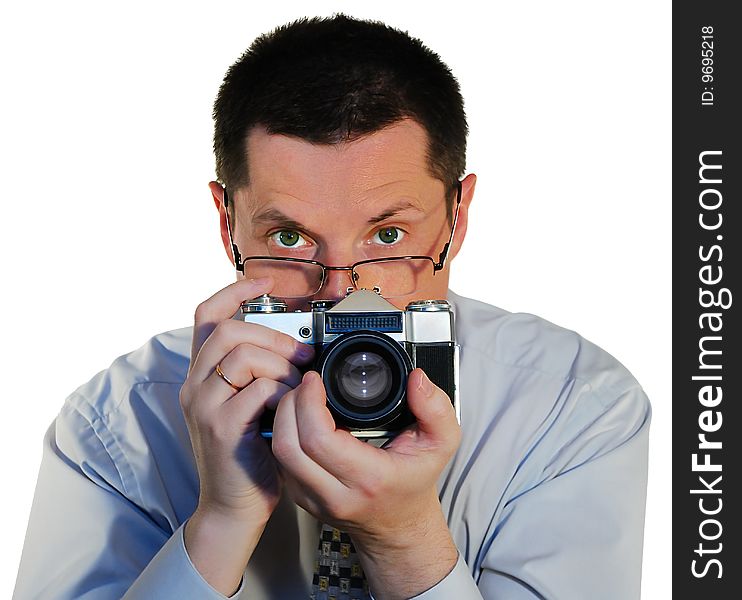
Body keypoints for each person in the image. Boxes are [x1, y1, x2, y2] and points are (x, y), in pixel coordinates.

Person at [14, 14, 650, 600]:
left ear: (458, 218)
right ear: (227, 221)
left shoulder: (572, 405)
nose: (346, 294)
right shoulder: (119, 422)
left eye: (389, 236)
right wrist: (221, 523)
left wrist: (404, 540)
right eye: (289, 239)